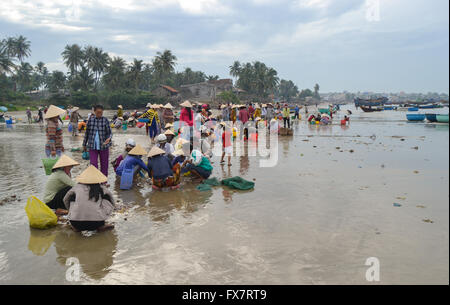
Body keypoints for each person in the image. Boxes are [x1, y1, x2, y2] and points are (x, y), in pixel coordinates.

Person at [63, 165, 115, 232]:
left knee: (72, 198)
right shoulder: (101, 188)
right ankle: (101, 226)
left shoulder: (76, 187)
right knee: (106, 197)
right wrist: (106, 213)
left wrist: (71, 211)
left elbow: (65, 199)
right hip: (97, 223)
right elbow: (112, 201)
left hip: (76, 223)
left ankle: (77, 227)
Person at [83, 105, 112, 177]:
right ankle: (95, 181)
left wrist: (109, 138)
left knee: (104, 164)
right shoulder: (91, 120)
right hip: (92, 146)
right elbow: (87, 133)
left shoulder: (105, 120)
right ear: (94, 111)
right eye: (98, 112)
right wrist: (84, 144)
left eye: (101, 113)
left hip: (104, 146)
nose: (100, 114)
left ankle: (104, 182)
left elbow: (110, 132)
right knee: (93, 164)